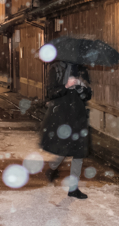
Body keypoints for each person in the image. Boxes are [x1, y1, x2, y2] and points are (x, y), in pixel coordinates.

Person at [39, 59, 92, 199]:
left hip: (79, 116)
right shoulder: (56, 69)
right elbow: (51, 92)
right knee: (64, 148)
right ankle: (52, 168)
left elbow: (88, 95)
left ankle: (73, 189)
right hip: (62, 117)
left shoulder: (81, 70)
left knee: (79, 151)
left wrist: (81, 87)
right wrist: (66, 86)